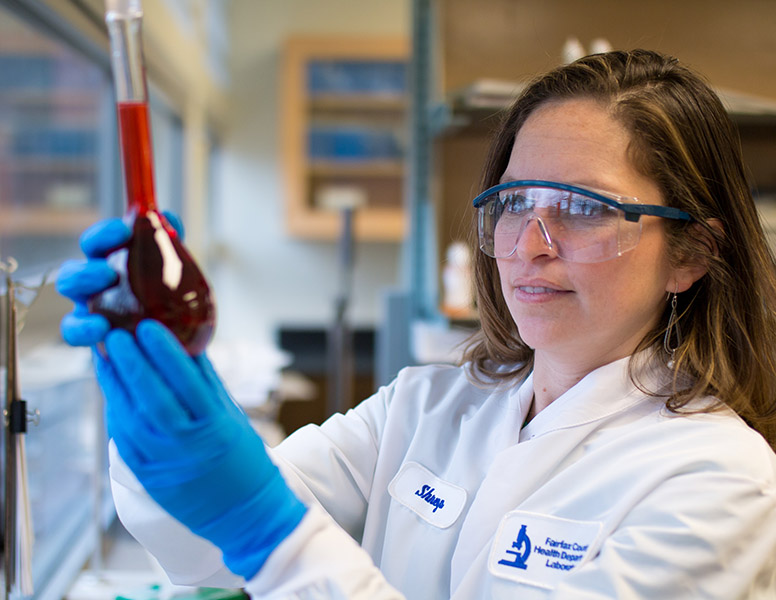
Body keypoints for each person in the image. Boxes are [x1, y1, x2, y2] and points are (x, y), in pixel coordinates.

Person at [57, 49, 776, 598]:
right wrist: (160, 384)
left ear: (692, 254)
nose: (530, 244)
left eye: (584, 209)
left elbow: (261, 529)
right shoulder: (426, 406)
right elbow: (202, 545)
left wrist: (272, 533)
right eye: (516, 202)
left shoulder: (722, 485)